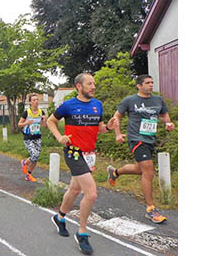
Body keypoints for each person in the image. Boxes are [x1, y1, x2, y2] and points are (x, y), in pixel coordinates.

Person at [46, 73, 117, 255]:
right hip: (73, 152)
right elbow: (50, 121)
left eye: (94, 83)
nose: (93, 86)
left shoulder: (97, 105)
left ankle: (60, 217)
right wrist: (60, 137)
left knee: (75, 190)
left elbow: (98, 128)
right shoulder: (69, 105)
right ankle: (82, 232)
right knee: (91, 194)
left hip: (89, 154)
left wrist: (107, 127)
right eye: (89, 83)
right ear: (79, 86)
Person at [107, 74, 175, 224]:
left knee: (140, 170)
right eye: (147, 83)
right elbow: (116, 117)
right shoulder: (130, 101)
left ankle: (115, 172)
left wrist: (168, 124)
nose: (151, 85)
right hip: (136, 139)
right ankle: (150, 208)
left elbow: (164, 116)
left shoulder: (158, 100)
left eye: (152, 82)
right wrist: (117, 134)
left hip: (150, 139)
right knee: (149, 171)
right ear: (139, 86)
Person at [18, 94, 47, 182]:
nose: (36, 101)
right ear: (30, 102)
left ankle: (28, 175)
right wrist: (27, 123)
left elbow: (45, 127)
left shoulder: (41, 112)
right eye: (34, 100)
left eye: (37, 100)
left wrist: (45, 120)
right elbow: (19, 124)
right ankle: (24, 162)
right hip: (28, 137)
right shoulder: (27, 112)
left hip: (37, 137)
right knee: (34, 154)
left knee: (36, 158)